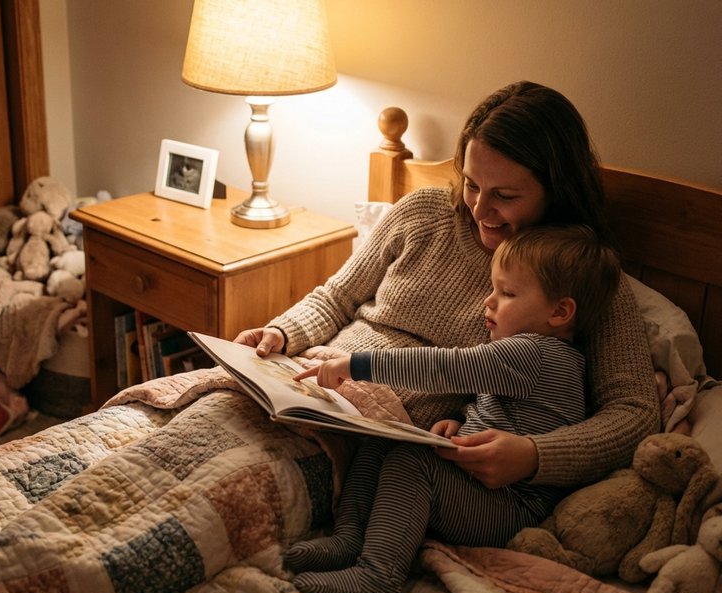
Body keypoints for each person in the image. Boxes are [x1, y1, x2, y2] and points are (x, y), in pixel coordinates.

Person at [234, 80, 658, 494]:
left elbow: (634, 413)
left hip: (377, 441)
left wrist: (535, 455)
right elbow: (336, 298)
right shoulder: (422, 212)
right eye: (472, 184)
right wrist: (282, 332)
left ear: (556, 192)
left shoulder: (579, 277)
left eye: (505, 196)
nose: (479, 208)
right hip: (311, 383)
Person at [283, 225, 621, 593]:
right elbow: (502, 410)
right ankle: (350, 537)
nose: (488, 303)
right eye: (493, 289)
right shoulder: (532, 357)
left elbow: (445, 367)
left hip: (509, 508)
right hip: (477, 490)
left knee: (411, 464)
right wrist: (460, 422)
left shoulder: (536, 354)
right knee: (383, 437)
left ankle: (378, 576)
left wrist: (356, 366)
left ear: (560, 312)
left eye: (507, 293)